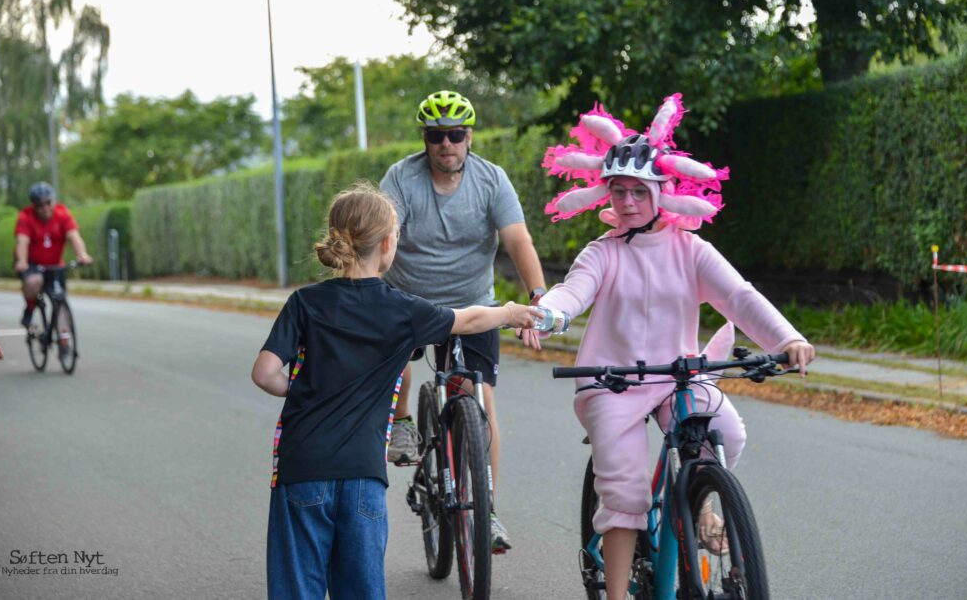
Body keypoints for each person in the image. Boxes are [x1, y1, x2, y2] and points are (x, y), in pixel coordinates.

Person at [520, 94, 816, 600]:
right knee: (626, 490)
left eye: (640, 190)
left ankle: (699, 503)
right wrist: (547, 313)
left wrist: (786, 338)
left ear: (663, 191)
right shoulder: (602, 253)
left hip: (679, 375)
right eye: (618, 191)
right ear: (604, 193)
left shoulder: (691, 249)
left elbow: (739, 297)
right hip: (611, 383)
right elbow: (573, 293)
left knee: (726, 433)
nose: (628, 202)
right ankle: (616, 593)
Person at [251, 182, 540, 600]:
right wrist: (512, 312)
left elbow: (264, 373)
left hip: (302, 470)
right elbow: (470, 320)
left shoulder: (304, 303)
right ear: (388, 243)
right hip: (363, 476)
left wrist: (300, 389)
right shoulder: (403, 309)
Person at [379, 89, 546, 551]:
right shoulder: (401, 178)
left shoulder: (491, 180)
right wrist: (370, 287)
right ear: (425, 139)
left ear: (469, 136)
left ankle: (487, 509)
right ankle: (405, 421)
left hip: (475, 304)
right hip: (412, 297)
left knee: (481, 399)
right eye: (436, 136)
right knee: (392, 352)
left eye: (455, 134)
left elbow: (518, 240)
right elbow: (383, 235)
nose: (446, 144)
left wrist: (539, 298)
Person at [14, 182, 92, 327]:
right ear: (33, 206)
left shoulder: (62, 215)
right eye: (39, 205)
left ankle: (64, 341)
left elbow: (74, 236)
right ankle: (30, 308)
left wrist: (82, 255)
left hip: (55, 265)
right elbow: (22, 242)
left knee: (60, 300)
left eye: (48, 203)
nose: (45, 208)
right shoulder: (26, 217)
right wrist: (22, 261)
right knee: (34, 281)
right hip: (33, 265)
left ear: (53, 201)